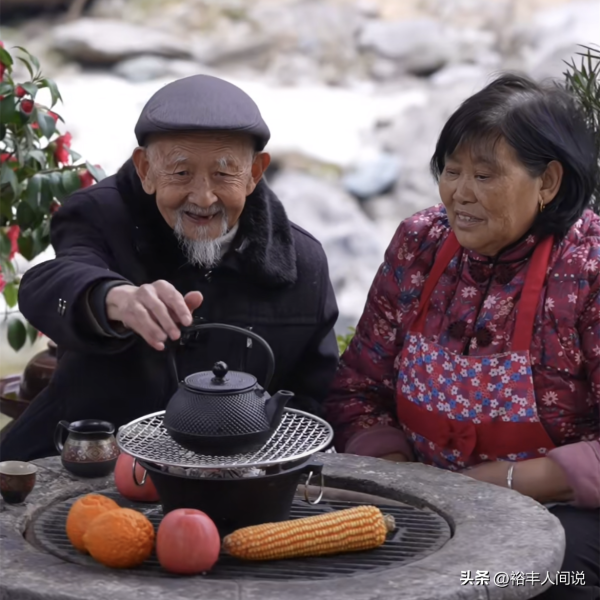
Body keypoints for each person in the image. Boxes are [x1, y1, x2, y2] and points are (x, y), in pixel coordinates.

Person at [324, 73, 600, 599]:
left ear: (548, 182)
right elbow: (358, 389)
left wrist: (491, 490)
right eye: (451, 171)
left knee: (522, 581)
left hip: (563, 511)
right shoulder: (419, 245)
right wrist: (400, 479)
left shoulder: (590, 269)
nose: (461, 193)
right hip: (422, 498)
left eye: (485, 175)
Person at [0, 74, 339, 461]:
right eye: (180, 173)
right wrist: (114, 298)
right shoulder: (100, 215)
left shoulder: (302, 261)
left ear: (255, 173)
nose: (203, 196)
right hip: (93, 455)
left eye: (224, 173)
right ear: (145, 169)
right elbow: (49, 283)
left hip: (237, 473)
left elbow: (315, 398)